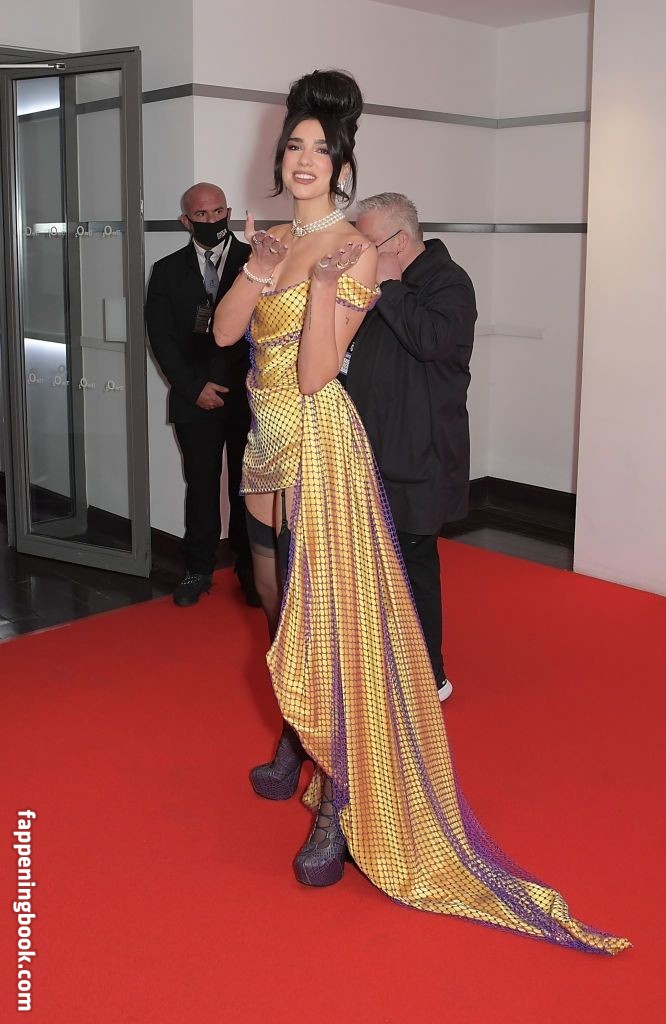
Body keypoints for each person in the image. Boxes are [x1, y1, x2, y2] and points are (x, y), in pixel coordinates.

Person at [213, 70, 628, 954]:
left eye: (322, 149)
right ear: (279, 156)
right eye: (294, 145)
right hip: (262, 441)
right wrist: (257, 267)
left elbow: (317, 374)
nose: (304, 159)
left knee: (330, 625)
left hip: (318, 443)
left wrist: (318, 288)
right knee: (277, 605)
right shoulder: (277, 235)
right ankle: (298, 729)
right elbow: (222, 334)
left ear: (344, 165)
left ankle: (340, 800)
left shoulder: (353, 250)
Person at [342, 192, 476, 703]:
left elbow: (430, 341)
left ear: (398, 241)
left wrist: (391, 287)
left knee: (413, 563)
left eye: (367, 241)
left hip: (421, 453)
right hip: (377, 445)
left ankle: (429, 676)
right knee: (378, 565)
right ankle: (388, 664)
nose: (360, 250)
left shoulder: (448, 282)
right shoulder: (382, 281)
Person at [146, 183, 259, 607]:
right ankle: (197, 569)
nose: (211, 221)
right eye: (201, 215)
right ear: (185, 220)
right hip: (194, 398)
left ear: (228, 212)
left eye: (217, 212)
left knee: (248, 490)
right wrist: (194, 388)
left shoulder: (256, 261)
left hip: (250, 397)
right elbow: (160, 339)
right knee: (201, 487)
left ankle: (251, 573)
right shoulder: (166, 270)